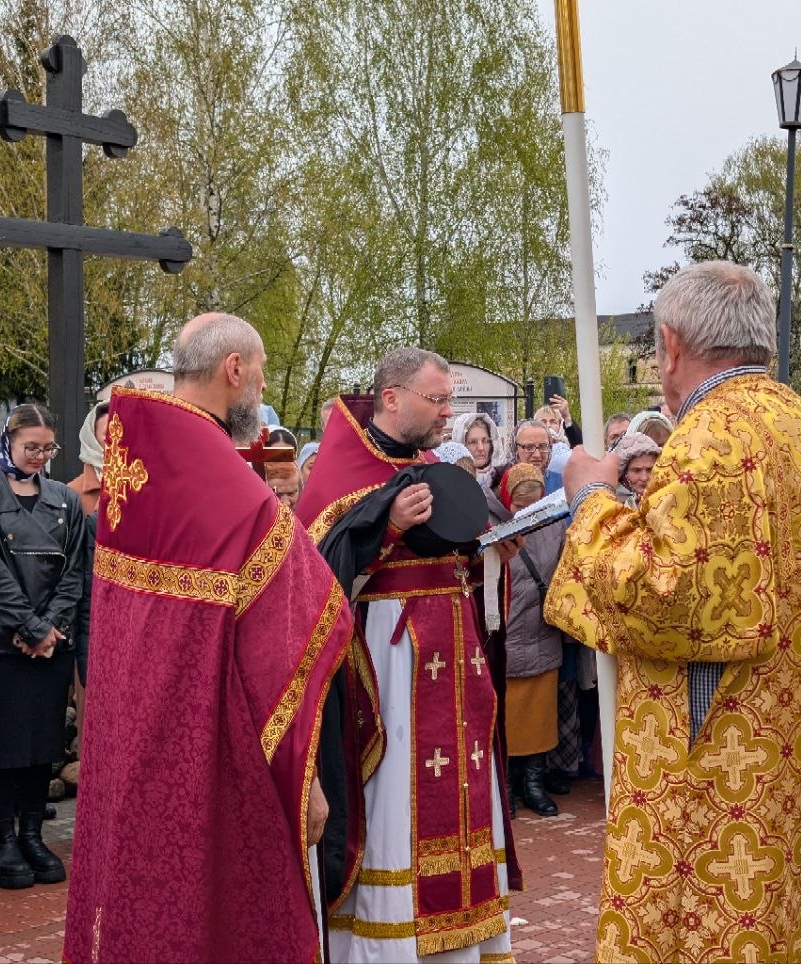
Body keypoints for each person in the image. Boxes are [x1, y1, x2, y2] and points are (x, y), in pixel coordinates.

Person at [544, 261, 801, 962]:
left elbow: (664, 598)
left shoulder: (709, 440)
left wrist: (591, 500)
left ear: (671, 345)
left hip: (730, 764)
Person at [64, 313, 352, 962]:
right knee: (218, 905)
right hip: (208, 742)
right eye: (262, 370)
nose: (263, 384)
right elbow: (297, 627)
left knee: (141, 892)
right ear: (234, 369)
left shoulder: (140, 458)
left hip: (131, 733)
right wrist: (306, 780)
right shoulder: (230, 489)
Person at [296, 347, 517, 963]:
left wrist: (488, 550)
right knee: (397, 804)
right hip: (389, 673)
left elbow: (453, 556)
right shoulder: (342, 471)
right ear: (392, 398)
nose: (448, 413)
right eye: (437, 400)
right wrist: (385, 524)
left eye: (449, 401)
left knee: (465, 793)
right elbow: (315, 575)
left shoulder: (429, 466)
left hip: (457, 665)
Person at [0, 404, 87, 892]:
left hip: (51, 646)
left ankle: (33, 834)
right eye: (31, 447)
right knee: (5, 743)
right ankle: (4, 840)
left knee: (43, 744)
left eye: (48, 448)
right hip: (1, 645)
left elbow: (74, 572)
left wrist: (49, 628)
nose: (39, 456)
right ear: (7, 442)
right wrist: (30, 626)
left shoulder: (64, 500)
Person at [487, 463, 564, 818]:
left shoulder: (554, 524)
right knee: (506, 719)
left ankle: (533, 783)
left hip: (542, 635)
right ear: (506, 499)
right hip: (507, 637)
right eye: (520, 506)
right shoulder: (492, 528)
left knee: (539, 720)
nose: (527, 513)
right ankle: (505, 786)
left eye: (534, 505)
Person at [68, 402, 109, 517]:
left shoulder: (147, 482)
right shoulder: (72, 493)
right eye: (109, 434)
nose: (118, 439)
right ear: (92, 440)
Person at [452, 412, 503, 488]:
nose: (480, 448)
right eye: (473, 442)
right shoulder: (449, 484)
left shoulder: (504, 482)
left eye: (485, 441)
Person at [612, 432, 661, 509]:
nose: (644, 478)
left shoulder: (667, 499)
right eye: (637, 470)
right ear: (624, 473)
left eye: (650, 470)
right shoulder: (612, 504)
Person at [511, 420, 558, 491]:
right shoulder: (501, 485)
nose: (537, 455)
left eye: (543, 446)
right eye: (529, 447)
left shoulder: (563, 485)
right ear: (516, 449)